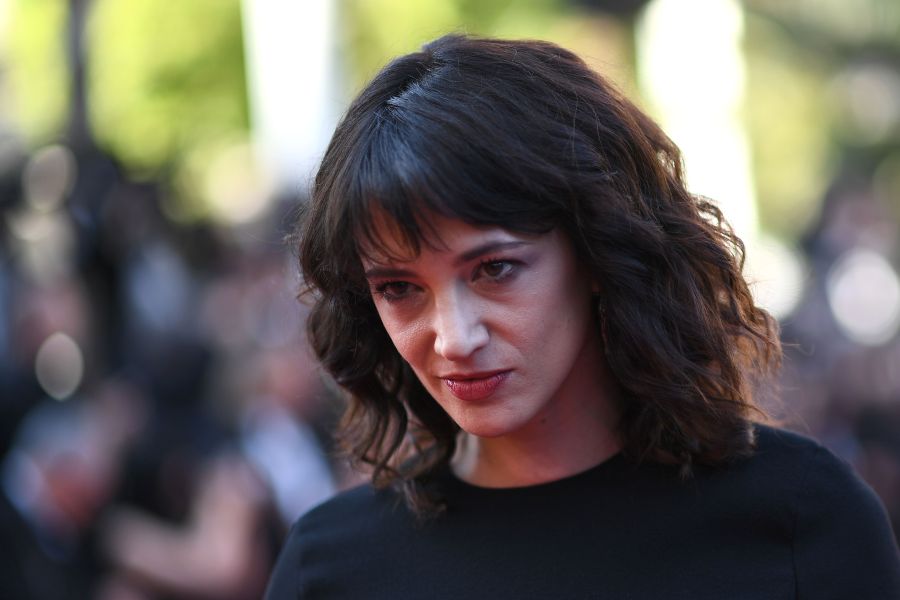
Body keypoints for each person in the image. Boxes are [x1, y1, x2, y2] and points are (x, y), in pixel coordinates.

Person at [266, 34, 900, 599]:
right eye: (400, 287)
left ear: (598, 253)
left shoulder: (799, 518)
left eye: (494, 270)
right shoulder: (330, 569)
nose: (455, 337)